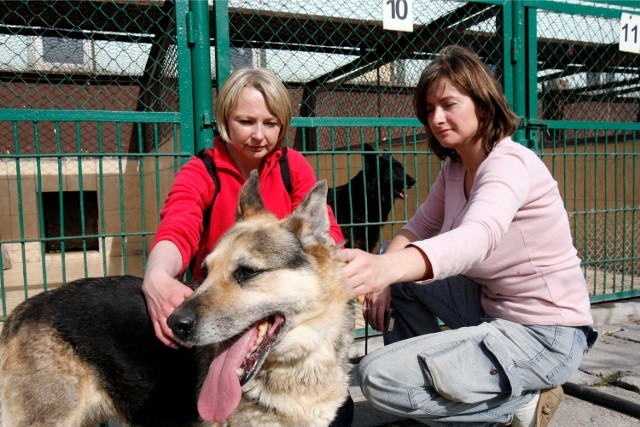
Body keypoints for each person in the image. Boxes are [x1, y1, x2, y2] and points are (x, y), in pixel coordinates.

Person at [343, 45, 598, 427]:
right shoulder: (456, 167)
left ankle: (517, 410)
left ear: (482, 103)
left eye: (448, 104)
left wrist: (384, 269)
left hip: (547, 335)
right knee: (398, 269)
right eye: (429, 110)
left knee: (378, 378)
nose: (436, 118)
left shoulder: (509, 164)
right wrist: (384, 271)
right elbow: (417, 229)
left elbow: (476, 238)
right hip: (490, 308)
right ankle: (436, 386)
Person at [141, 67, 353, 425]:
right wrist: (157, 275)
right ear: (225, 119)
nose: (259, 135)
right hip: (219, 303)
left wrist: (336, 268)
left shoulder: (292, 165)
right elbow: (179, 226)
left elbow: (324, 233)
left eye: (270, 123)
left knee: (342, 411)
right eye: (245, 121)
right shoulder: (201, 171)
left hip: (269, 309)